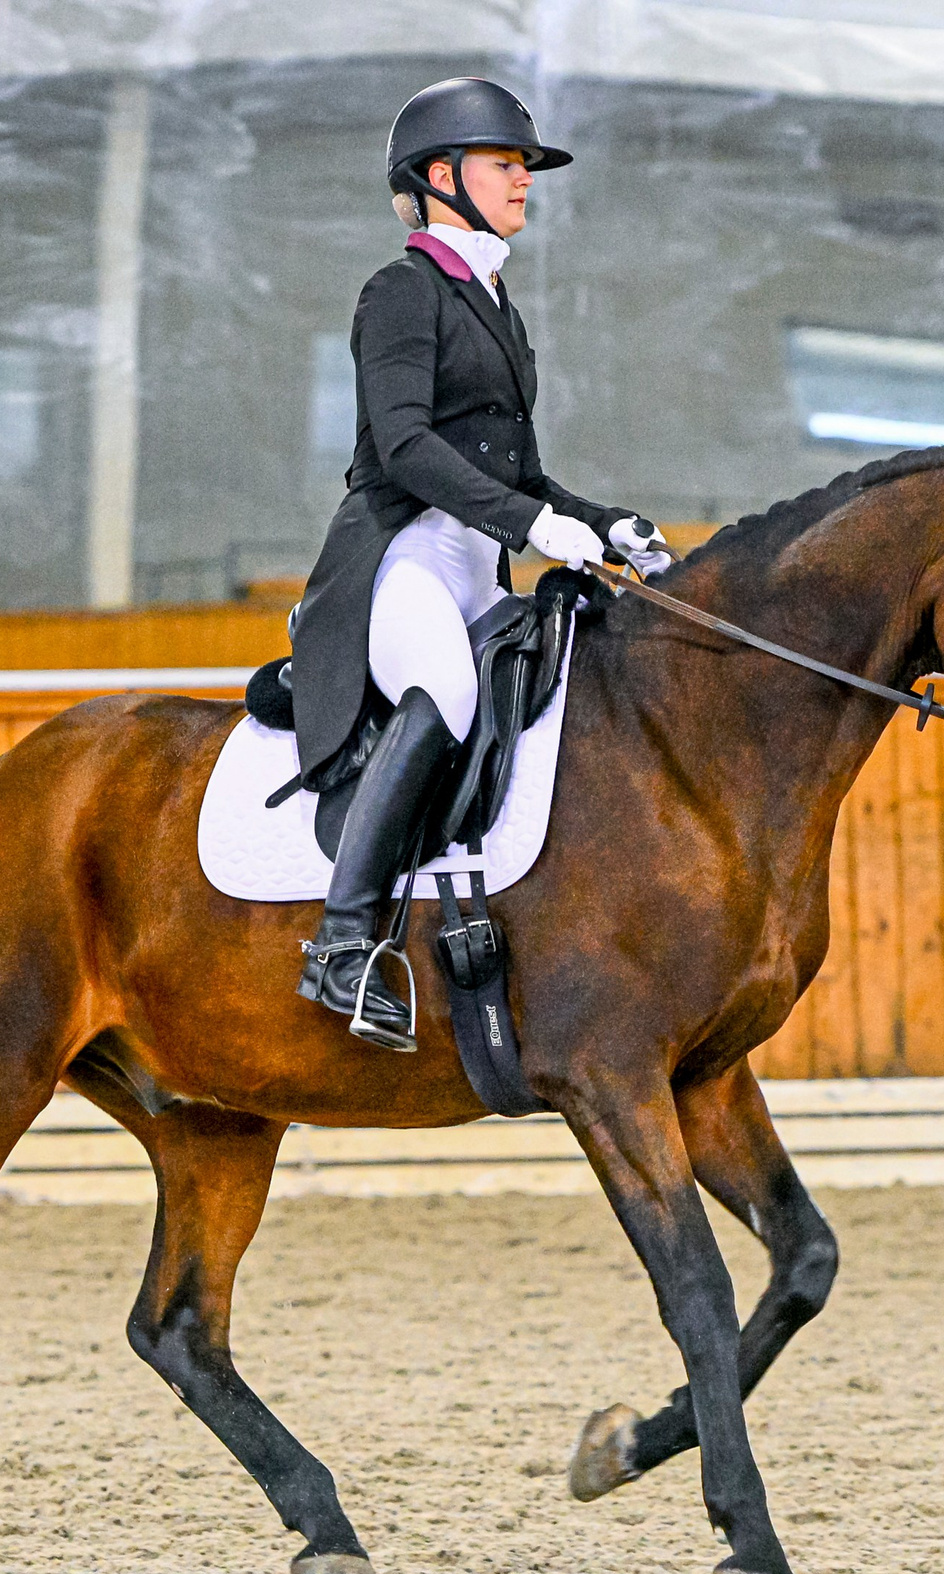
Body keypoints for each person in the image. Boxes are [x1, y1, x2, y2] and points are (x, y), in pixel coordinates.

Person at [288, 76, 674, 1047]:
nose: (522, 183)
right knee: (449, 692)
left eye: (523, 168)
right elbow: (409, 447)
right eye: (506, 165)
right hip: (401, 552)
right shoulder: (399, 291)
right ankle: (340, 948)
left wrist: (603, 521)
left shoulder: (495, 300)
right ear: (440, 174)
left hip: (477, 557)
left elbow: (525, 470)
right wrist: (530, 526)